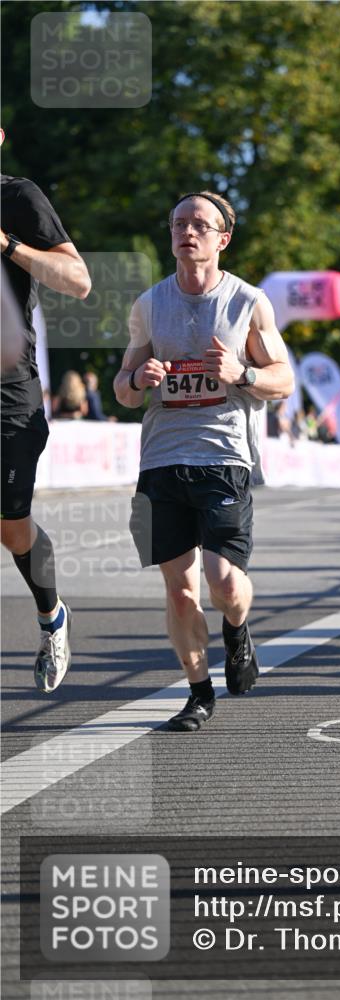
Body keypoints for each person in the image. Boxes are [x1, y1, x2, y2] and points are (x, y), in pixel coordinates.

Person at [114, 190, 294, 732]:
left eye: (199, 225)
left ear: (223, 239)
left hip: (224, 457)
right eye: (178, 224)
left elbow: (283, 381)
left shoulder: (248, 302)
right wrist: (137, 378)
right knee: (179, 590)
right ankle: (197, 693)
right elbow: (122, 389)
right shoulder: (149, 305)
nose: (186, 232)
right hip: (162, 460)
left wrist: (242, 374)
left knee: (224, 582)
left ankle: (237, 631)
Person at [1, 134, 91, 692]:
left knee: (12, 529)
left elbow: (78, 281)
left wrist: (7, 245)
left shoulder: (19, 197)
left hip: (9, 394)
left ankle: (52, 617)